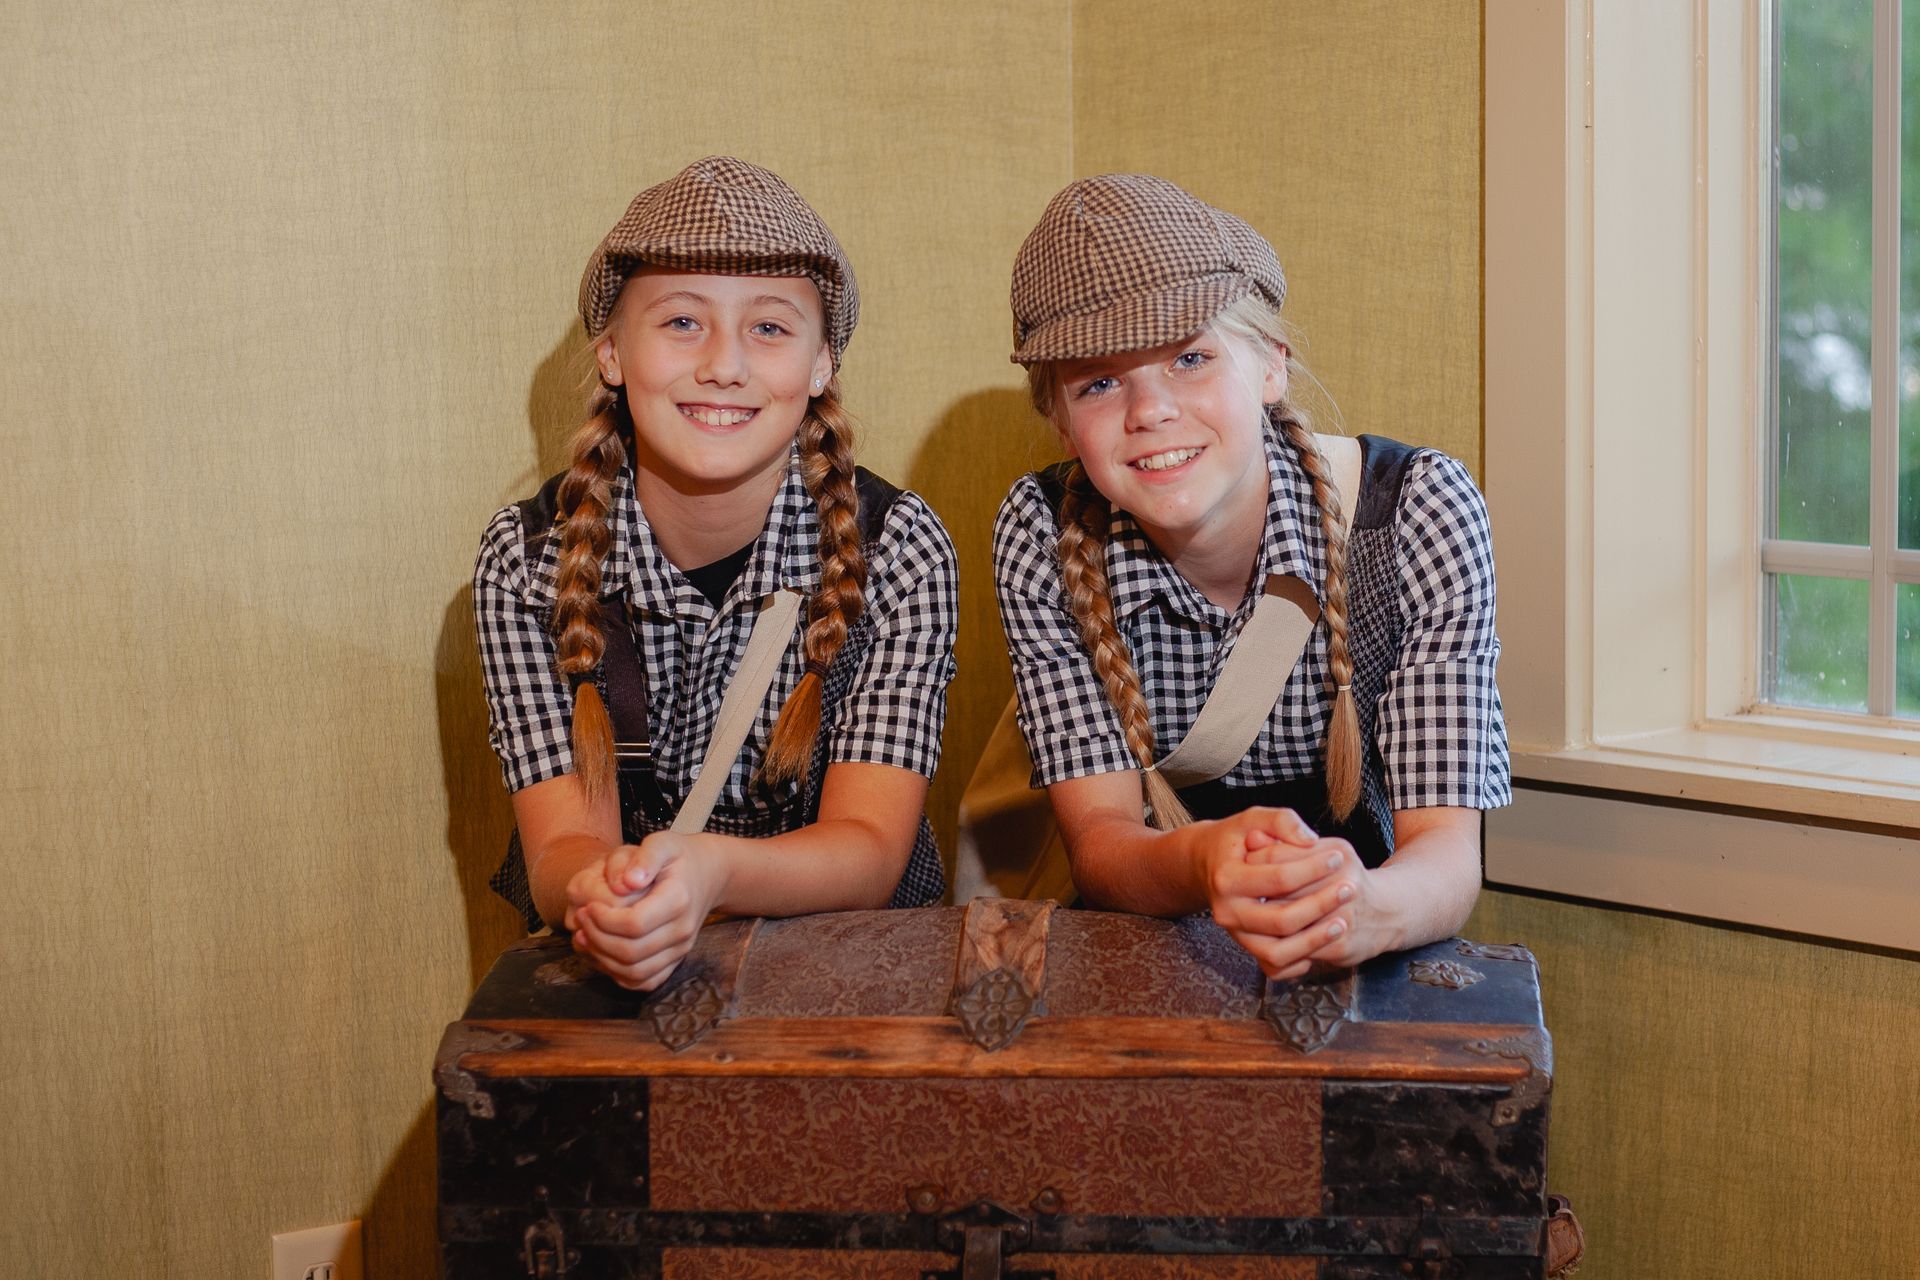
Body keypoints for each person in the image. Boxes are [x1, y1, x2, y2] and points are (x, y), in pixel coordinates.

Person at [992, 173, 1507, 980]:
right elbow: (1100, 846)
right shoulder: (1039, 532)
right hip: (1150, 947)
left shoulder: (1415, 510)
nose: (1150, 411)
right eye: (1100, 382)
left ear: (1271, 366)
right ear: (1061, 421)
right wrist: (1207, 862)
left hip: (1367, 931)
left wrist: (1364, 908)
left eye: (1191, 358)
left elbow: (1446, 852)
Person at [474, 157, 957, 990]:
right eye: (682, 322)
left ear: (820, 365)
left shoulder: (898, 549)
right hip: (631, 973)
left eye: (768, 328)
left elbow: (872, 852)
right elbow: (562, 847)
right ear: (612, 353)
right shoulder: (529, 559)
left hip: (848, 978)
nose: (724, 365)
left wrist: (712, 873)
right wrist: (604, 893)